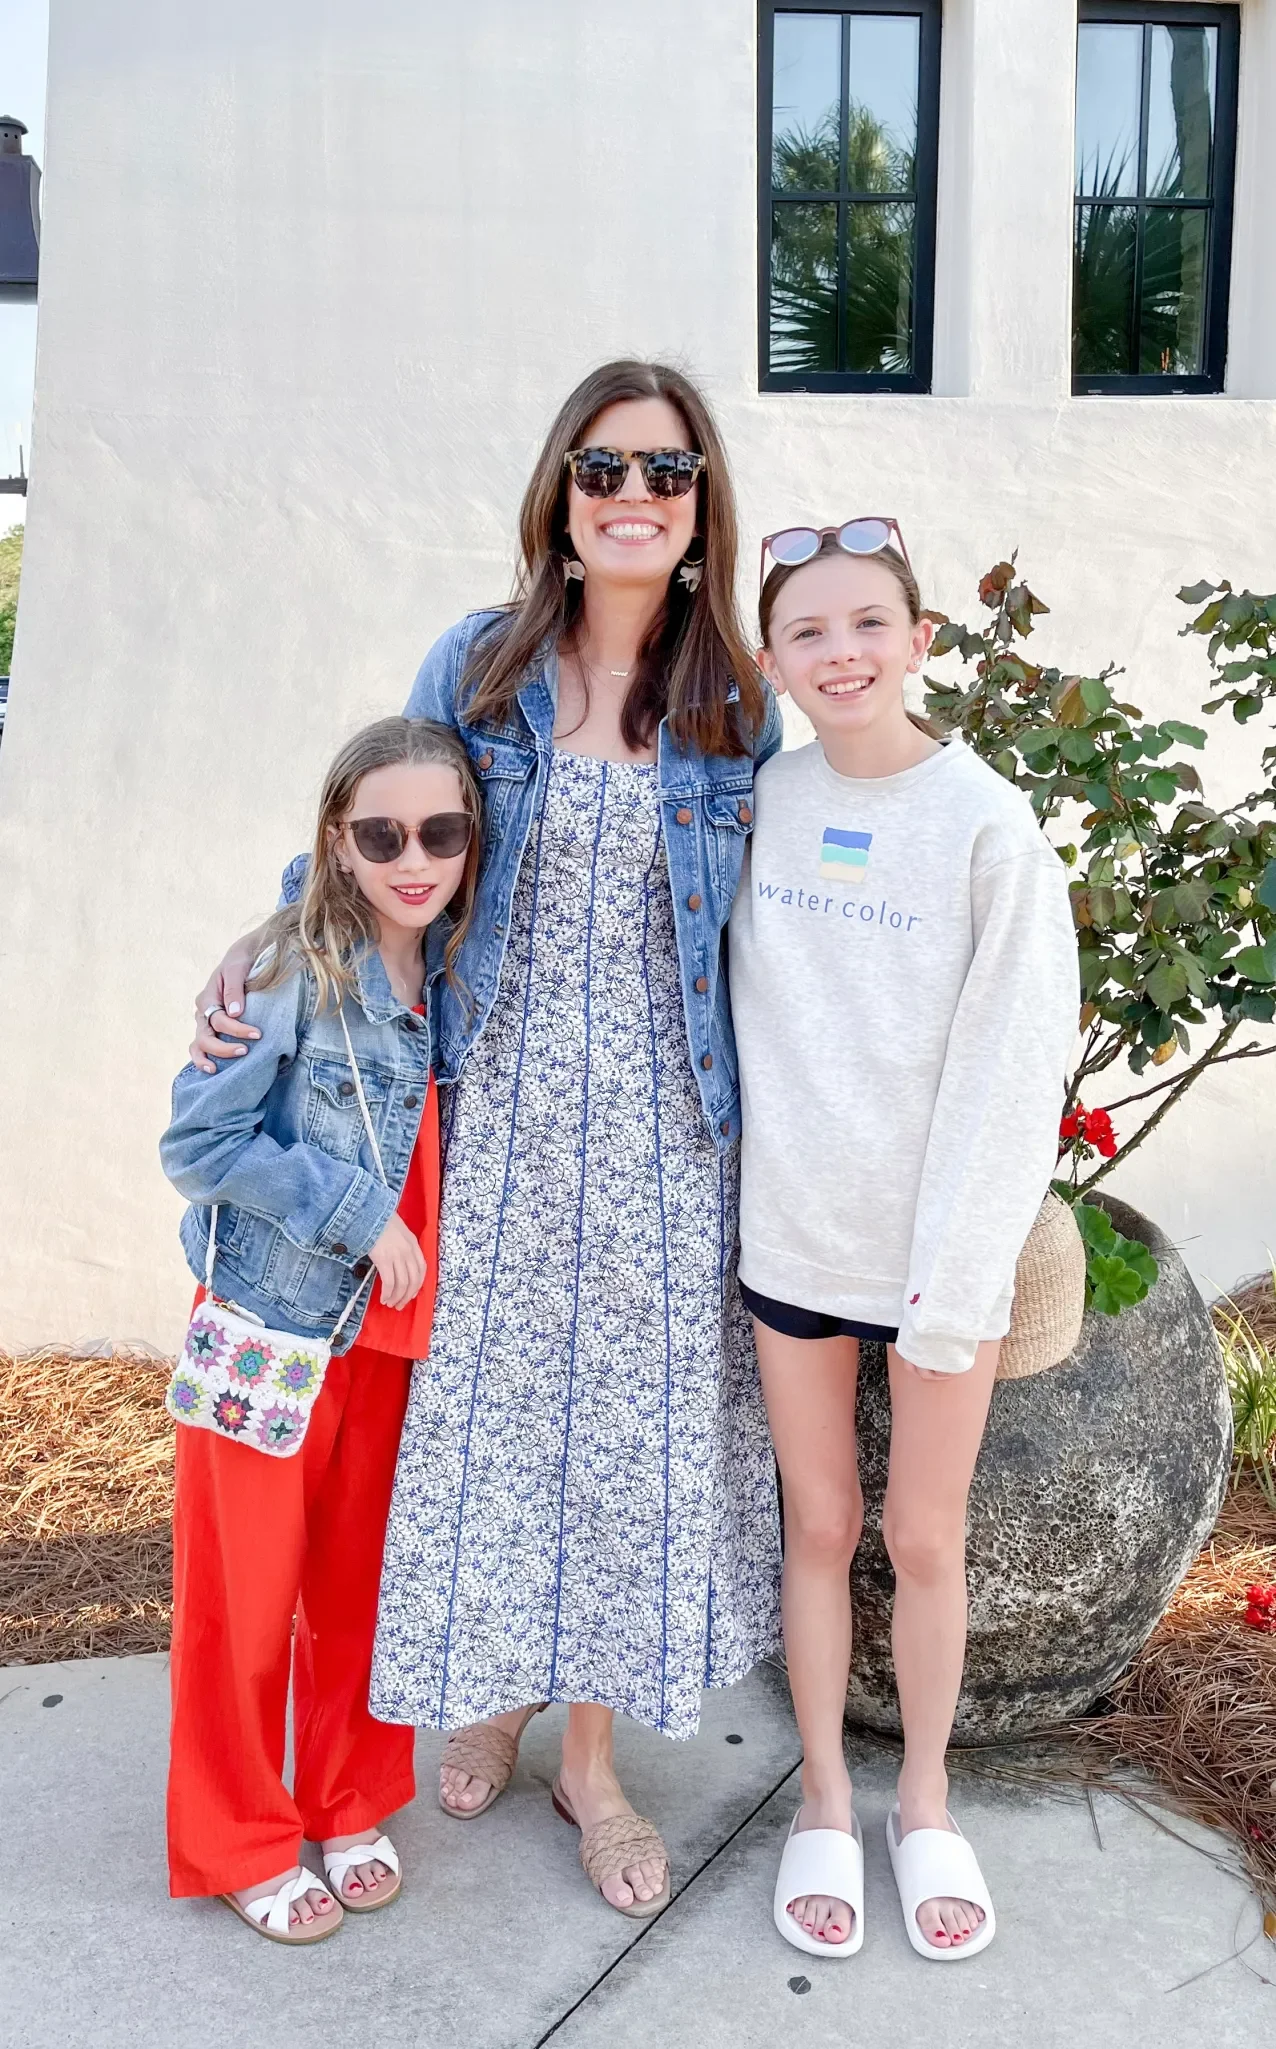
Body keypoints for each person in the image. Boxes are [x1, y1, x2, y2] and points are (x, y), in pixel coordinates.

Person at [189, 361, 784, 1919]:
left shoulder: (734, 698)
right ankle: (499, 1694)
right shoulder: (481, 661)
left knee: (627, 1439)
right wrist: (265, 947)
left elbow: (777, 929)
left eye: (666, 470)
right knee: (492, 1430)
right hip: (489, 1107)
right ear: (561, 494)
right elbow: (376, 826)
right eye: (604, 467)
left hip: (665, 1130)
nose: (634, 495)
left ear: (702, 503)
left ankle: (590, 1762)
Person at [729, 522, 1078, 1962]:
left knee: (923, 1536)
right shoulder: (762, 799)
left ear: (922, 638)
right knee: (817, 1525)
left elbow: (1017, 1069)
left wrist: (953, 1281)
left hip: (940, 1256)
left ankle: (923, 1802)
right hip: (794, 1240)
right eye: (808, 633)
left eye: (869, 623)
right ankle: (823, 1794)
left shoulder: (988, 825)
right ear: (772, 663)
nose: (842, 653)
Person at [161, 717, 481, 1945]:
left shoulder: (455, 967)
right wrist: (354, 1214)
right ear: (337, 841)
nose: (414, 859)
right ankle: (240, 1839)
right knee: (243, 1605)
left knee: (361, 1598)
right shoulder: (291, 970)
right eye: (381, 836)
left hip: (402, 1343)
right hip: (279, 1326)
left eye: (441, 833)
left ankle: (349, 1802)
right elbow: (200, 1144)